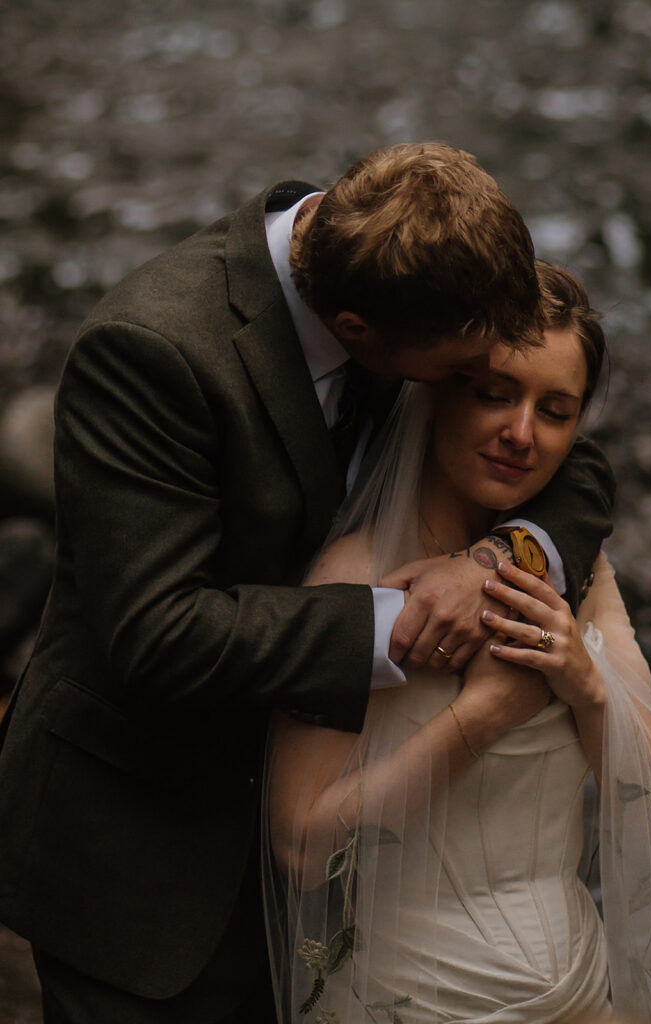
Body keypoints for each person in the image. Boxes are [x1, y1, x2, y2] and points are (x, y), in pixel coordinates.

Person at [0, 145, 614, 1024]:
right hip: (144, 840)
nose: (493, 405)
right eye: (460, 377)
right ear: (359, 332)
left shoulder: (420, 248)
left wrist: (492, 562)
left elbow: (573, 460)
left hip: (347, 868)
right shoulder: (150, 350)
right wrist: (407, 619)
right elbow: (156, 631)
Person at [264, 264, 651, 1024]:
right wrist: (484, 715)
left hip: (578, 993)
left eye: (554, 411)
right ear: (433, 392)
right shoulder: (354, 576)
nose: (520, 434)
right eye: (494, 396)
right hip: (412, 1000)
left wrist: (584, 684)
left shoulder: (578, 576)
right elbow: (300, 849)